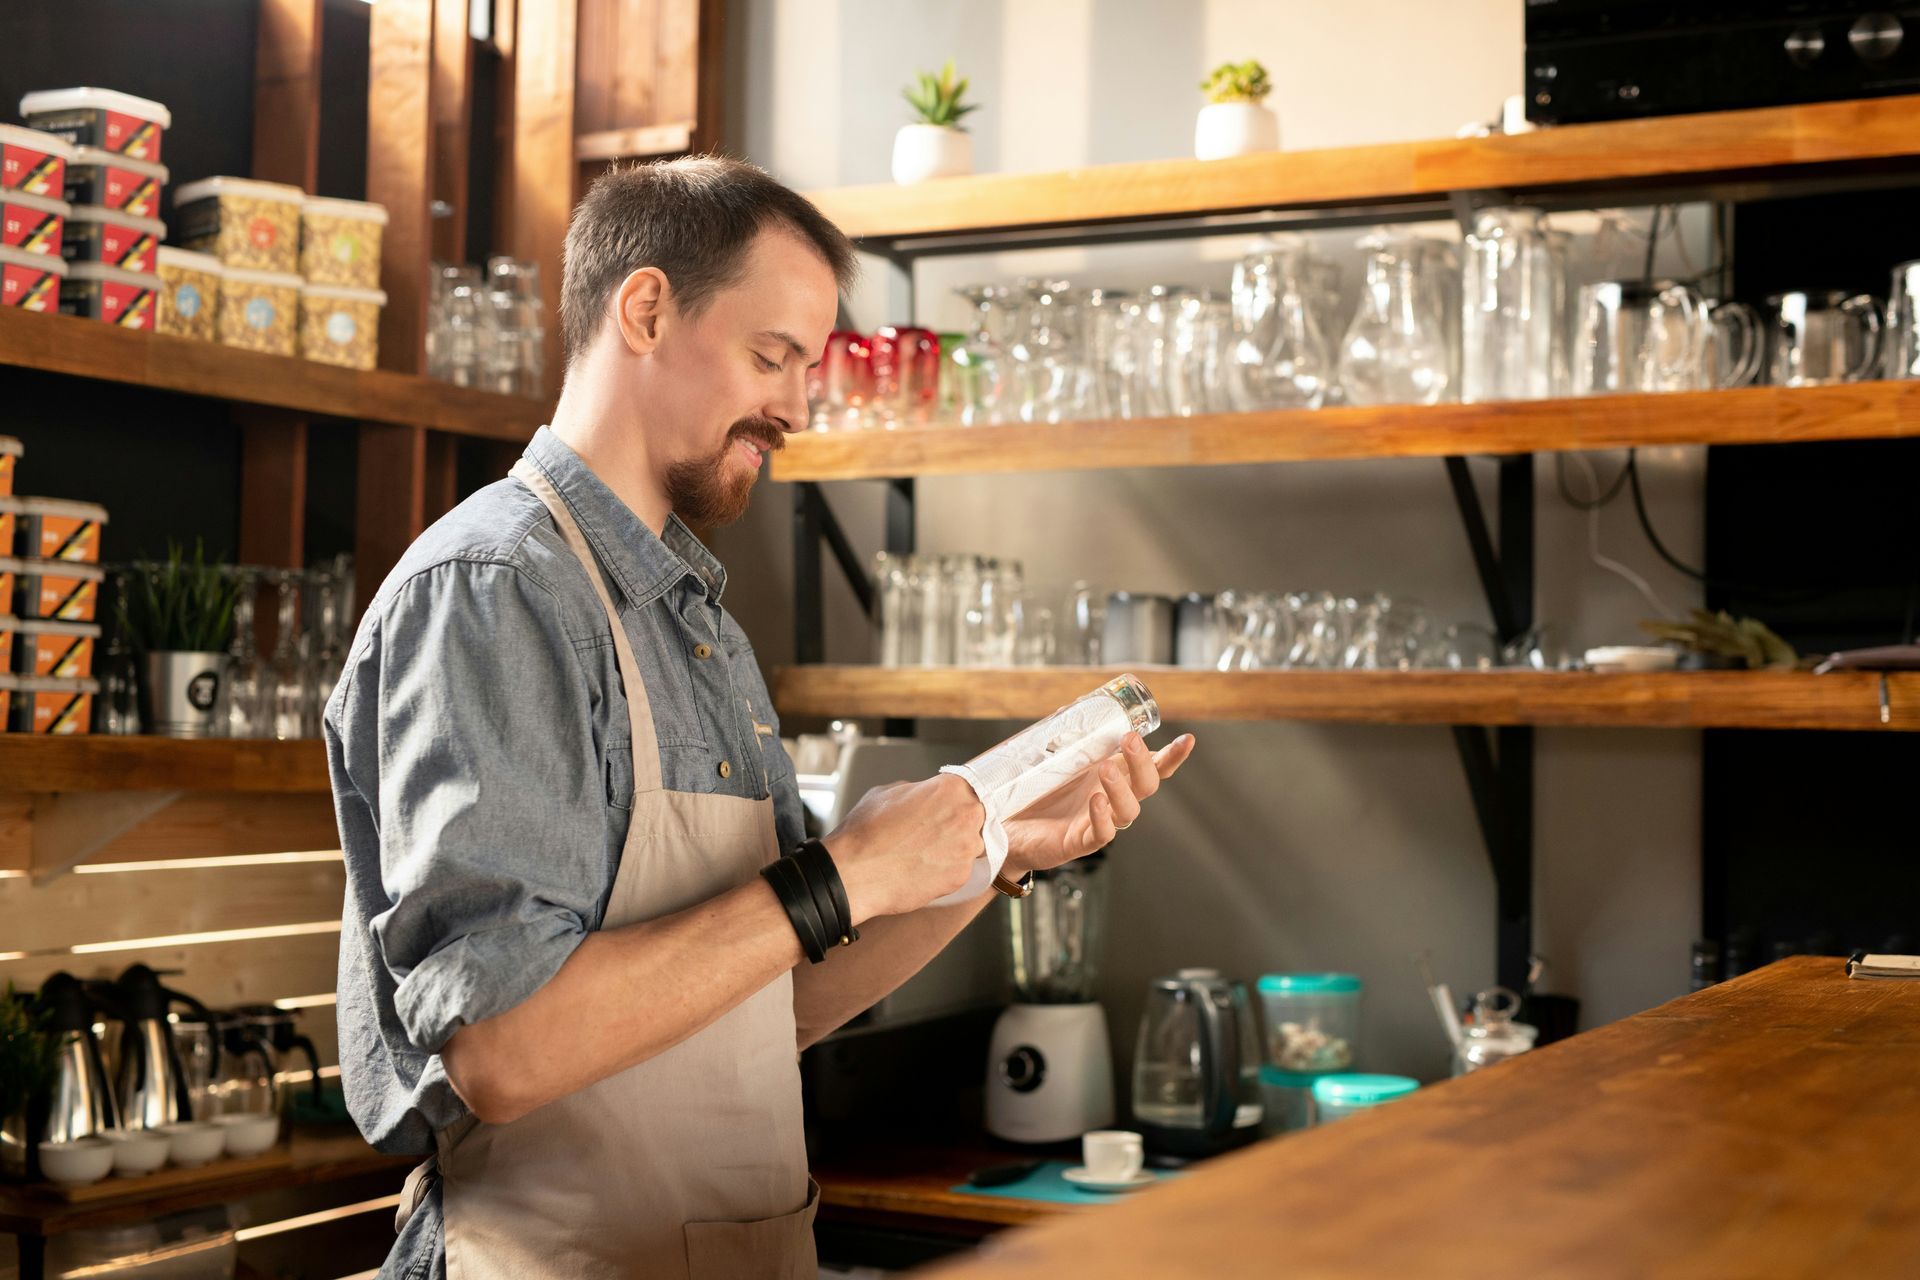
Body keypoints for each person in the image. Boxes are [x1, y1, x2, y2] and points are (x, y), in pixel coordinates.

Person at [324, 156, 1195, 1280]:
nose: (795, 405)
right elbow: (502, 1045)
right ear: (645, 309)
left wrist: (984, 851)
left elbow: (756, 1006)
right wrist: (844, 873)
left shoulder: (697, 620)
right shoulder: (496, 590)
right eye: (772, 355)